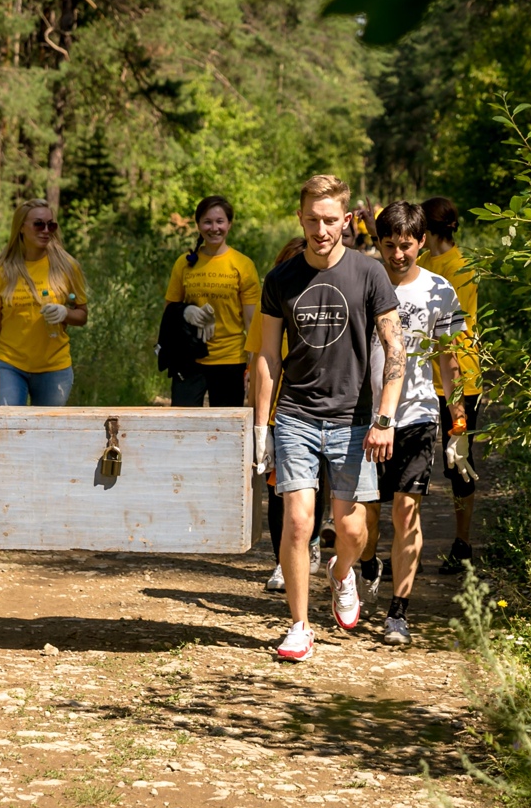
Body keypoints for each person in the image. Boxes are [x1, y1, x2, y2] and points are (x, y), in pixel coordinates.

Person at [253, 175, 405, 663]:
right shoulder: (279, 280)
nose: (321, 230)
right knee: (298, 523)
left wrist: (385, 418)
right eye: (313, 220)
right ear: (301, 218)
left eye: (331, 220)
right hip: (296, 413)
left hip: (355, 418)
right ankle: (299, 627)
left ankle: (342, 573)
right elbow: (267, 358)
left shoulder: (369, 273)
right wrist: (263, 428)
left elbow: (394, 349)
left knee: (354, 531)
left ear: (347, 221)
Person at [357, 201, 470, 647]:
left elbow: (449, 359)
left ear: (421, 241)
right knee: (365, 520)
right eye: (389, 246)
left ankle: (398, 613)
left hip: (418, 414)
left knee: (406, 511)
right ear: (379, 243)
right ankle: (369, 563)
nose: (398, 255)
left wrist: (457, 420)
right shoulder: (363, 279)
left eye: (406, 246)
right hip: (363, 416)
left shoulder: (439, 290)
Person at [244, 238, 324, 592]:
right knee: (280, 492)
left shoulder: (322, 303)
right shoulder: (272, 305)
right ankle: (281, 561)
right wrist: (254, 420)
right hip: (278, 409)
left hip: (317, 408)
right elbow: (258, 362)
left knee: (313, 489)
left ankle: (312, 542)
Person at [419, 196, 482, 573]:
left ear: (427, 230)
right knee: (418, 463)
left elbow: (454, 334)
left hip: (459, 382)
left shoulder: (460, 268)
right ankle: (411, 546)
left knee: (459, 462)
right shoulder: (425, 261)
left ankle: (462, 544)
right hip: (426, 379)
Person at [0, 199, 89, 406]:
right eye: (38, 224)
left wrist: (65, 313)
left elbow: (82, 315)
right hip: (9, 364)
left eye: (51, 225)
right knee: (7, 427)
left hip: (54, 367)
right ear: (21, 228)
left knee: (46, 433)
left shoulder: (68, 267)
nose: (46, 230)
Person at [164, 196, 260, 407]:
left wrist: (253, 364)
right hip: (189, 358)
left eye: (220, 221)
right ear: (198, 225)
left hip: (230, 359)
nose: (214, 228)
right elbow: (169, 310)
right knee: (183, 426)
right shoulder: (184, 263)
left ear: (229, 224)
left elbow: (252, 322)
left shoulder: (242, 265)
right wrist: (187, 311)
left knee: (225, 428)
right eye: (207, 222)